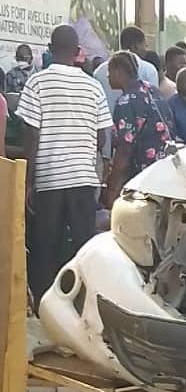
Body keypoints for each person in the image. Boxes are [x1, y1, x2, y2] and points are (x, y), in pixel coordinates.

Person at [17, 24, 112, 307]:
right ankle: (83, 303)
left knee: (46, 245)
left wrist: (28, 181)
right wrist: (79, 151)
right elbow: (101, 136)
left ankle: (46, 305)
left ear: (49, 49)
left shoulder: (37, 83)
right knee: (83, 244)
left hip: (49, 180)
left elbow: (31, 135)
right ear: (78, 52)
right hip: (83, 179)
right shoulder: (93, 86)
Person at [105, 51, 172, 206]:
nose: (108, 77)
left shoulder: (126, 101)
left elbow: (125, 150)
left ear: (119, 71)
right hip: (165, 168)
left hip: (144, 176)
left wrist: (112, 188)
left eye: (110, 72)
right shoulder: (153, 90)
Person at [93, 26, 158, 112]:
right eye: (144, 45)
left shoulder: (99, 71)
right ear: (135, 46)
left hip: (106, 122)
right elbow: (154, 103)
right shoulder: (148, 70)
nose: (145, 50)